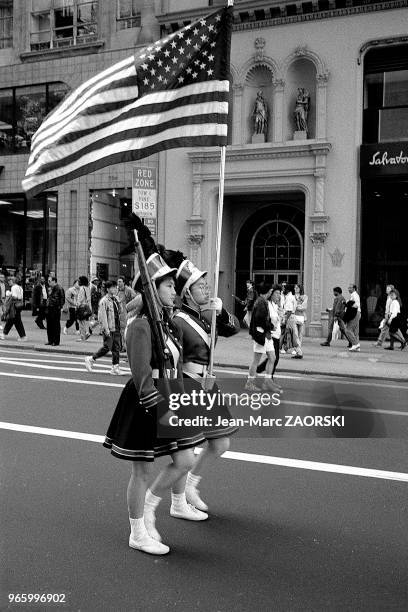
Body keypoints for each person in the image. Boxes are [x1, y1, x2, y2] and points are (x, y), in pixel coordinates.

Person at [103, 254, 207, 555]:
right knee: (142, 471)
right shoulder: (141, 326)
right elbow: (141, 377)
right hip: (146, 402)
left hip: (171, 396)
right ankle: (137, 531)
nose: (175, 290)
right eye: (169, 286)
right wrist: (163, 405)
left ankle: (150, 508)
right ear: (152, 290)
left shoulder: (167, 324)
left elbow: (175, 364)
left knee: (185, 460)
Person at [171, 259, 240, 513]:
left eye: (206, 285)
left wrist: (221, 312)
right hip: (188, 384)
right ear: (187, 292)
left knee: (220, 443)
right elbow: (172, 359)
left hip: (207, 384)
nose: (207, 289)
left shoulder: (206, 314)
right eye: (200, 286)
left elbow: (234, 329)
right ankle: (177, 503)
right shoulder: (178, 321)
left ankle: (191, 485)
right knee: (185, 449)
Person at [246, 281, 282, 392]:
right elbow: (260, 319)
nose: (272, 292)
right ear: (268, 291)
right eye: (272, 291)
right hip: (261, 335)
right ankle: (249, 383)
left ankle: (267, 382)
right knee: (256, 360)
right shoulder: (261, 302)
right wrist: (271, 326)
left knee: (272, 358)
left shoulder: (263, 301)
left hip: (266, 335)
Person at [85, 280, 124, 375]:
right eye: (112, 287)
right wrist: (106, 329)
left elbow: (120, 311)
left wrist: (119, 302)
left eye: (115, 287)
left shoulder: (115, 299)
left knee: (116, 348)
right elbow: (102, 317)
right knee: (107, 347)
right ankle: (91, 359)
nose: (115, 289)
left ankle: (115, 367)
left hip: (116, 326)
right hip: (109, 328)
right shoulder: (104, 301)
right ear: (107, 289)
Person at [0, 276, 27, 341]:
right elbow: (21, 296)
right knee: (15, 321)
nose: (9, 282)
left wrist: (9, 294)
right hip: (19, 305)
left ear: (13, 281)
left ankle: (4, 334)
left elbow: (15, 297)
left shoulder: (13, 287)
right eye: (8, 281)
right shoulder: (20, 287)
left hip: (14, 306)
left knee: (12, 320)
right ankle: (22, 336)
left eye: (10, 281)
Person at [282, 284, 303, 358]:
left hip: (290, 317)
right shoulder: (291, 297)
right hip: (291, 317)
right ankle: (285, 348)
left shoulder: (289, 298)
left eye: (284, 288)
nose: (283, 290)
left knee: (293, 335)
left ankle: (299, 352)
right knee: (289, 335)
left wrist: (285, 319)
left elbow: (289, 310)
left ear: (288, 290)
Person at [117, 276, 136, 351]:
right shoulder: (117, 290)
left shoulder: (128, 290)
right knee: (120, 330)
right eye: (118, 281)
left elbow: (135, 298)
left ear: (124, 282)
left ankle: (124, 347)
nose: (118, 283)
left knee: (124, 330)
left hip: (125, 313)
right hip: (119, 312)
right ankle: (121, 346)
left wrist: (130, 307)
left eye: (120, 281)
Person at [45, 276, 65, 346]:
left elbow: (62, 300)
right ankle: (50, 340)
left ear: (54, 281)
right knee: (49, 325)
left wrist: (59, 307)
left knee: (55, 325)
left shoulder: (59, 288)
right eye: (48, 281)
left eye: (50, 281)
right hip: (49, 309)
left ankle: (56, 341)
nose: (48, 282)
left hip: (55, 309)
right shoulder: (51, 289)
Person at [76, 276, 92, 342]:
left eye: (79, 281)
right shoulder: (87, 288)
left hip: (82, 307)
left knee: (81, 322)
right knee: (86, 321)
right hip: (87, 307)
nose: (78, 282)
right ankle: (87, 332)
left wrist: (77, 305)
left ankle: (83, 337)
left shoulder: (81, 288)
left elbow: (80, 299)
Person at [346, 284, 361, 352]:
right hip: (357, 313)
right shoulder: (355, 295)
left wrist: (348, 303)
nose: (349, 289)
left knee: (348, 330)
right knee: (355, 331)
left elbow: (356, 305)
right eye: (348, 287)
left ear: (354, 289)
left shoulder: (354, 295)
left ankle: (355, 344)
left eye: (350, 288)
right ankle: (356, 347)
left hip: (355, 313)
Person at [294, 284, 308, 348]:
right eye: (295, 287)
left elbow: (304, 307)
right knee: (295, 333)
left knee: (300, 333)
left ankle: (299, 346)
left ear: (300, 288)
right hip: (294, 316)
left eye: (297, 287)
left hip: (301, 316)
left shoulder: (304, 296)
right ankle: (296, 346)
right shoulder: (292, 296)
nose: (295, 288)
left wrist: (296, 307)